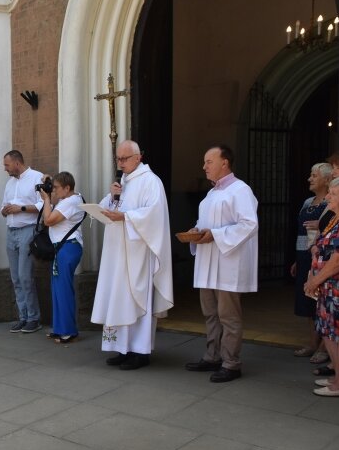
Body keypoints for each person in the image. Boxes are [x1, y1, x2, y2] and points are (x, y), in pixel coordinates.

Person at [91, 141, 174, 369]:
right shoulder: (123, 182)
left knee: (135, 300)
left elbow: (154, 215)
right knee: (118, 299)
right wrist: (112, 197)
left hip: (138, 255)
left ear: (138, 157)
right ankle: (122, 348)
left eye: (124, 159)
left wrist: (126, 217)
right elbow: (109, 209)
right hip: (117, 254)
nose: (120, 163)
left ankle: (140, 352)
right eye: (118, 159)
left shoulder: (151, 181)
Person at [185, 145, 258, 383]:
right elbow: (205, 221)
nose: (204, 166)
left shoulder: (241, 190)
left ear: (224, 162)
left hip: (228, 262)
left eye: (209, 161)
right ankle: (212, 356)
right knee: (210, 313)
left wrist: (214, 235)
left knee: (228, 315)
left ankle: (231, 362)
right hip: (208, 263)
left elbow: (249, 224)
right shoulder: (211, 194)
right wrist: (196, 230)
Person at [303, 176, 339, 396]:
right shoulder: (338, 217)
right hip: (329, 284)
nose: (328, 197)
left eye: (334, 194)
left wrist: (315, 280)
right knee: (329, 332)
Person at [291, 163, 332, 361]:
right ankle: (313, 343)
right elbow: (301, 233)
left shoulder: (331, 202)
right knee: (308, 301)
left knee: (322, 302)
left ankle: (324, 348)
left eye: (314, 175)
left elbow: (336, 229)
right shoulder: (308, 202)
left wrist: (321, 224)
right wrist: (298, 259)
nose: (310, 179)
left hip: (324, 257)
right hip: (305, 256)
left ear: (326, 179)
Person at [1, 150, 44, 333]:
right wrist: (5, 210)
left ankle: (34, 318)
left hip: (28, 230)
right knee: (16, 277)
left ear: (17, 163)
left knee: (25, 276)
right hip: (11, 231)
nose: (5, 169)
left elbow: (44, 204)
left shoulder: (37, 178)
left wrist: (22, 208)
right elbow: (2, 207)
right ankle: (23, 317)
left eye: (7, 165)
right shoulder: (9, 183)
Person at [40, 172, 85, 343]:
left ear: (67, 188)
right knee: (58, 289)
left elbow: (49, 220)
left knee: (64, 290)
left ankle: (68, 331)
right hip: (64, 249)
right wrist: (47, 182)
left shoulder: (71, 201)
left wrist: (46, 200)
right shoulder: (70, 199)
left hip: (68, 248)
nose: (54, 191)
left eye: (57, 188)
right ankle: (60, 328)